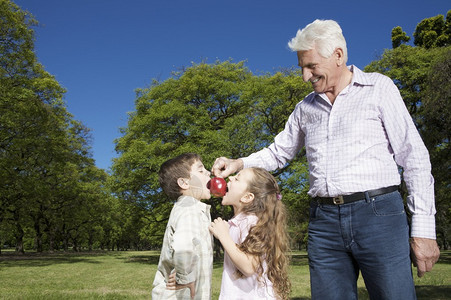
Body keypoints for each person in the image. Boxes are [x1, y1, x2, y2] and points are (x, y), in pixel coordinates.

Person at [211, 19, 440, 299]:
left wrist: (424, 228)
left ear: (338, 56)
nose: (305, 76)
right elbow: (277, 152)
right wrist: (238, 164)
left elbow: (414, 157)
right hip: (324, 222)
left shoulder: (379, 88)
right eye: (302, 68)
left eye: (312, 66)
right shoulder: (305, 108)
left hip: (379, 215)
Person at [209, 167, 291, 300]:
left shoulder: (252, 223)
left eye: (237, 178)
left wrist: (224, 236)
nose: (229, 178)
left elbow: (248, 267)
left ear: (247, 197)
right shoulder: (236, 223)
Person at [152, 153, 213, 300]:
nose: (209, 172)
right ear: (184, 183)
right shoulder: (189, 208)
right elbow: (183, 247)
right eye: (200, 170)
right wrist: (186, 281)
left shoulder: (188, 207)